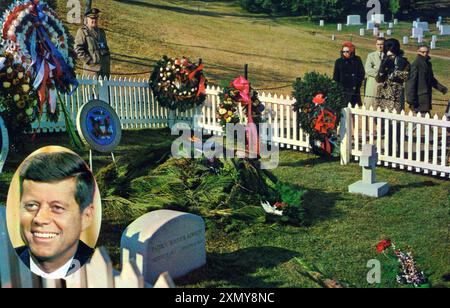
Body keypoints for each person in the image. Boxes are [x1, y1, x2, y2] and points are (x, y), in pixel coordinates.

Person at [16, 152, 96, 279]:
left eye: (57, 208)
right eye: (31, 205)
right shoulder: (7, 263)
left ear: (86, 216)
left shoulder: (98, 271)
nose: (40, 219)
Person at [406, 45, 448, 115]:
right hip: (418, 99)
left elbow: (431, 79)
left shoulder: (428, 64)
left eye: (427, 52)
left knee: (424, 121)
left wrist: (441, 88)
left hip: (426, 97)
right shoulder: (416, 64)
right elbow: (411, 83)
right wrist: (411, 100)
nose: (425, 54)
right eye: (423, 52)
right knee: (422, 121)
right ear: (418, 52)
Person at [375, 38, 410, 113]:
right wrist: (382, 69)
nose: (390, 58)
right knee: (382, 118)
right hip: (383, 93)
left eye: (392, 56)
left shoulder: (403, 62)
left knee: (395, 119)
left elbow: (406, 76)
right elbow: (378, 79)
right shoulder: (384, 60)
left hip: (396, 93)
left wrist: (394, 72)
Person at [74, 8, 111, 78]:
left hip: (104, 70)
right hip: (91, 71)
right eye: (92, 18)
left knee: (105, 88)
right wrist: (90, 61)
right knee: (93, 89)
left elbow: (105, 48)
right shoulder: (82, 31)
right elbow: (78, 49)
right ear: (87, 19)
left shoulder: (102, 32)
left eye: (96, 18)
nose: (94, 20)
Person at [333, 41, 365, 107]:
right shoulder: (338, 61)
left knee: (354, 108)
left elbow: (361, 73)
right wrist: (338, 87)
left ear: (351, 51)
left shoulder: (357, 60)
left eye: (347, 51)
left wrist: (357, 84)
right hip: (342, 89)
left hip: (354, 89)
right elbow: (336, 76)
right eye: (343, 51)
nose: (345, 53)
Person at [364, 37, 385, 109]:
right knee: (371, 103)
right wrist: (379, 72)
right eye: (378, 44)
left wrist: (376, 68)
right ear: (375, 45)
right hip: (373, 82)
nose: (380, 46)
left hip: (384, 83)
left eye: (382, 44)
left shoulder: (388, 56)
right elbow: (368, 69)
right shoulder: (371, 55)